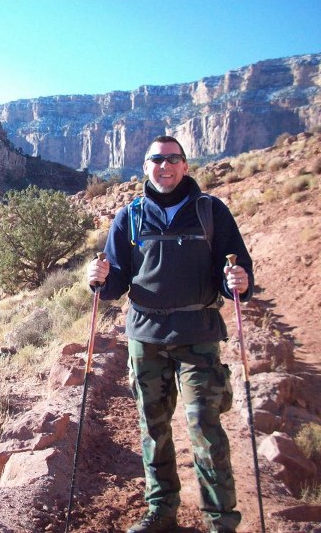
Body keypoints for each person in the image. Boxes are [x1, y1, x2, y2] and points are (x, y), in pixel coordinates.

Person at [86, 135, 253, 533]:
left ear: (185, 166)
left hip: (198, 336)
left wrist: (240, 281)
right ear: (145, 167)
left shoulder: (210, 211)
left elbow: (237, 273)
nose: (165, 166)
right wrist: (97, 280)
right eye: (157, 160)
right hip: (146, 338)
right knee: (153, 427)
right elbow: (115, 283)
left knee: (205, 428)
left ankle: (220, 520)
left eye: (173, 159)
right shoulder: (130, 216)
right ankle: (161, 510)